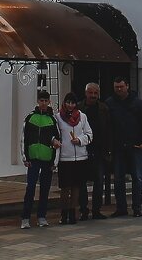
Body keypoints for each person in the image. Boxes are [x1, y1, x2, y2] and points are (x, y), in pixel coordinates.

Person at [106, 76, 142, 217]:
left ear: (127, 86)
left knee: (137, 177)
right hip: (118, 147)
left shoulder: (137, 102)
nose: (119, 89)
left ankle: (137, 208)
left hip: (135, 146)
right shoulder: (110, 103)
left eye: (121, 86)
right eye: (116, 87)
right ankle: (121, 208)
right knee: (118, 178)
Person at [20, 90, 60, 228]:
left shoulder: (53, 119)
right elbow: (24, 138)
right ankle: (25, 218)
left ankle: (42, 216)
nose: (43, 103)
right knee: (30, 188)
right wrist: (25, 157)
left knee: (45, 189)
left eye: (46, 101)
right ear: (38, 101)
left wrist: (54, 162)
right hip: (33, 159)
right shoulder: (30, 118)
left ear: (49, 102)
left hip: (47, 159)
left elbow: (57, 140)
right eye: (41, 100)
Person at [53, 91, 92, 224]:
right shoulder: (58, 117)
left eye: (73, 103)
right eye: (68, 102)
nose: (70, 105)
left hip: (80, 157)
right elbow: (54, 135)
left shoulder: (82, 117)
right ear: (65, 103)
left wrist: (80, 140)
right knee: (65, 187)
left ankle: (73, 213)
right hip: (65, 158)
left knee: (76, 186)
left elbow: (89, 134)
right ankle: (63, 214)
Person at [78, 82, 111, 220]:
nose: (93, 96)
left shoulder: (103, 108)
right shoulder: (78, 108)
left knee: (99, 181)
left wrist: (109, 150)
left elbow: (109, 130)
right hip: (82, 150)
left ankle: (96, 210)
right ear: (86, 93)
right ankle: (83, 210)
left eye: (95, 93)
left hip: (98, 150)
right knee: (81, 182)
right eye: (90, 93)